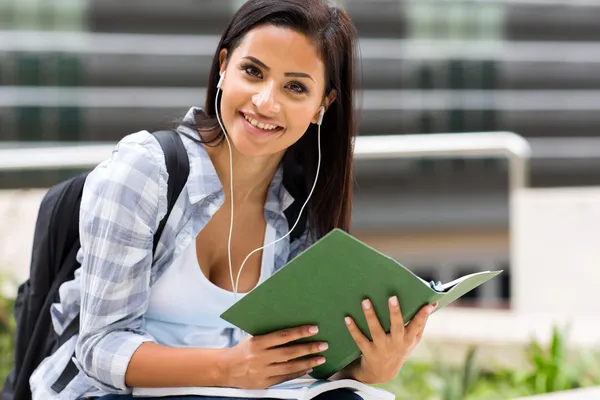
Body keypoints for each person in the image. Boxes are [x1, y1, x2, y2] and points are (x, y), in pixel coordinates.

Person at [29, 0, 435, 399]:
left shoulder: (301, 204)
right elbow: (99, 347)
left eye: (295, 87)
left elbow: (293, 355)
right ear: (224, 66)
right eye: (252, 71)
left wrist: (369, 367)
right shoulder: (147, 170)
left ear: (322, 105)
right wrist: (230, 368)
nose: (265, 101)